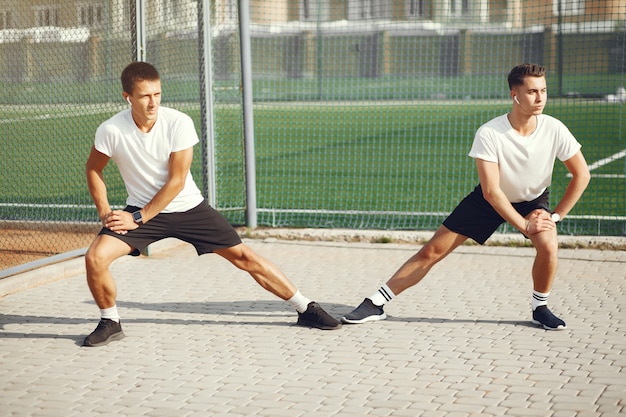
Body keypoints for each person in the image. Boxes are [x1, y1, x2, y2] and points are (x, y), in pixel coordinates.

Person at [83, 62, 341, 347]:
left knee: (245, 257)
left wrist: (139, 218)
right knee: (95, 257)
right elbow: (94, 169)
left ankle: (305, 308)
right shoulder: (111, 130)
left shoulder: (178, 122)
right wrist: (106, 212)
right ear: (127, 97)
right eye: (145, 96)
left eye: (157, 94)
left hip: (187, 208)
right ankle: (110, 321)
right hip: (140, 211)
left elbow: (177, 181)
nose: (153, 102)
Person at [342, 63, 590, 330]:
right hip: (488, 201)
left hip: (533, 201)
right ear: (514, 95)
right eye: (532, 91)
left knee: (549, 245)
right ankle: (375, 303)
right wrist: (524, 226)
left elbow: (582, 175)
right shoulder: (490, 133)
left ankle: (540, 307)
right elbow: (491, 191)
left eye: (543, 90)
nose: (540, 98)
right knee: (432, 251)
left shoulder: (554, 128)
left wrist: (554, 216)